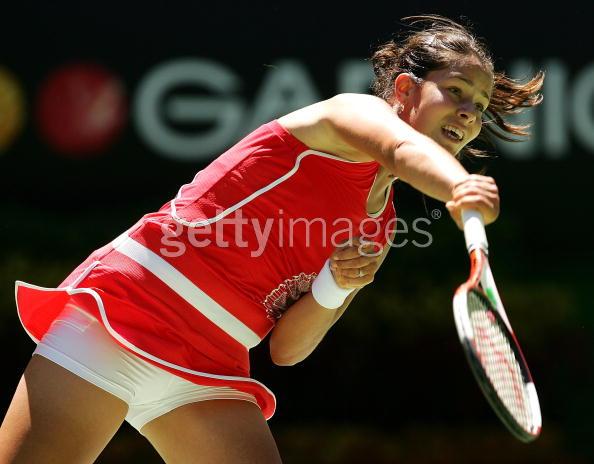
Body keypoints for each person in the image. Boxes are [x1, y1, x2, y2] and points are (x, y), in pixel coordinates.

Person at [0, 14, 543, 464]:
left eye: (479, 104)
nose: (470, 112)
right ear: (404, 89)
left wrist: (333, 285)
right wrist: (459, 188)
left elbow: (286, 350)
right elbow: (401, 150)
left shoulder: (381, 224)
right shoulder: (351, 114)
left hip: (210, 369)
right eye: (456, 91)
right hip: (127, 316)